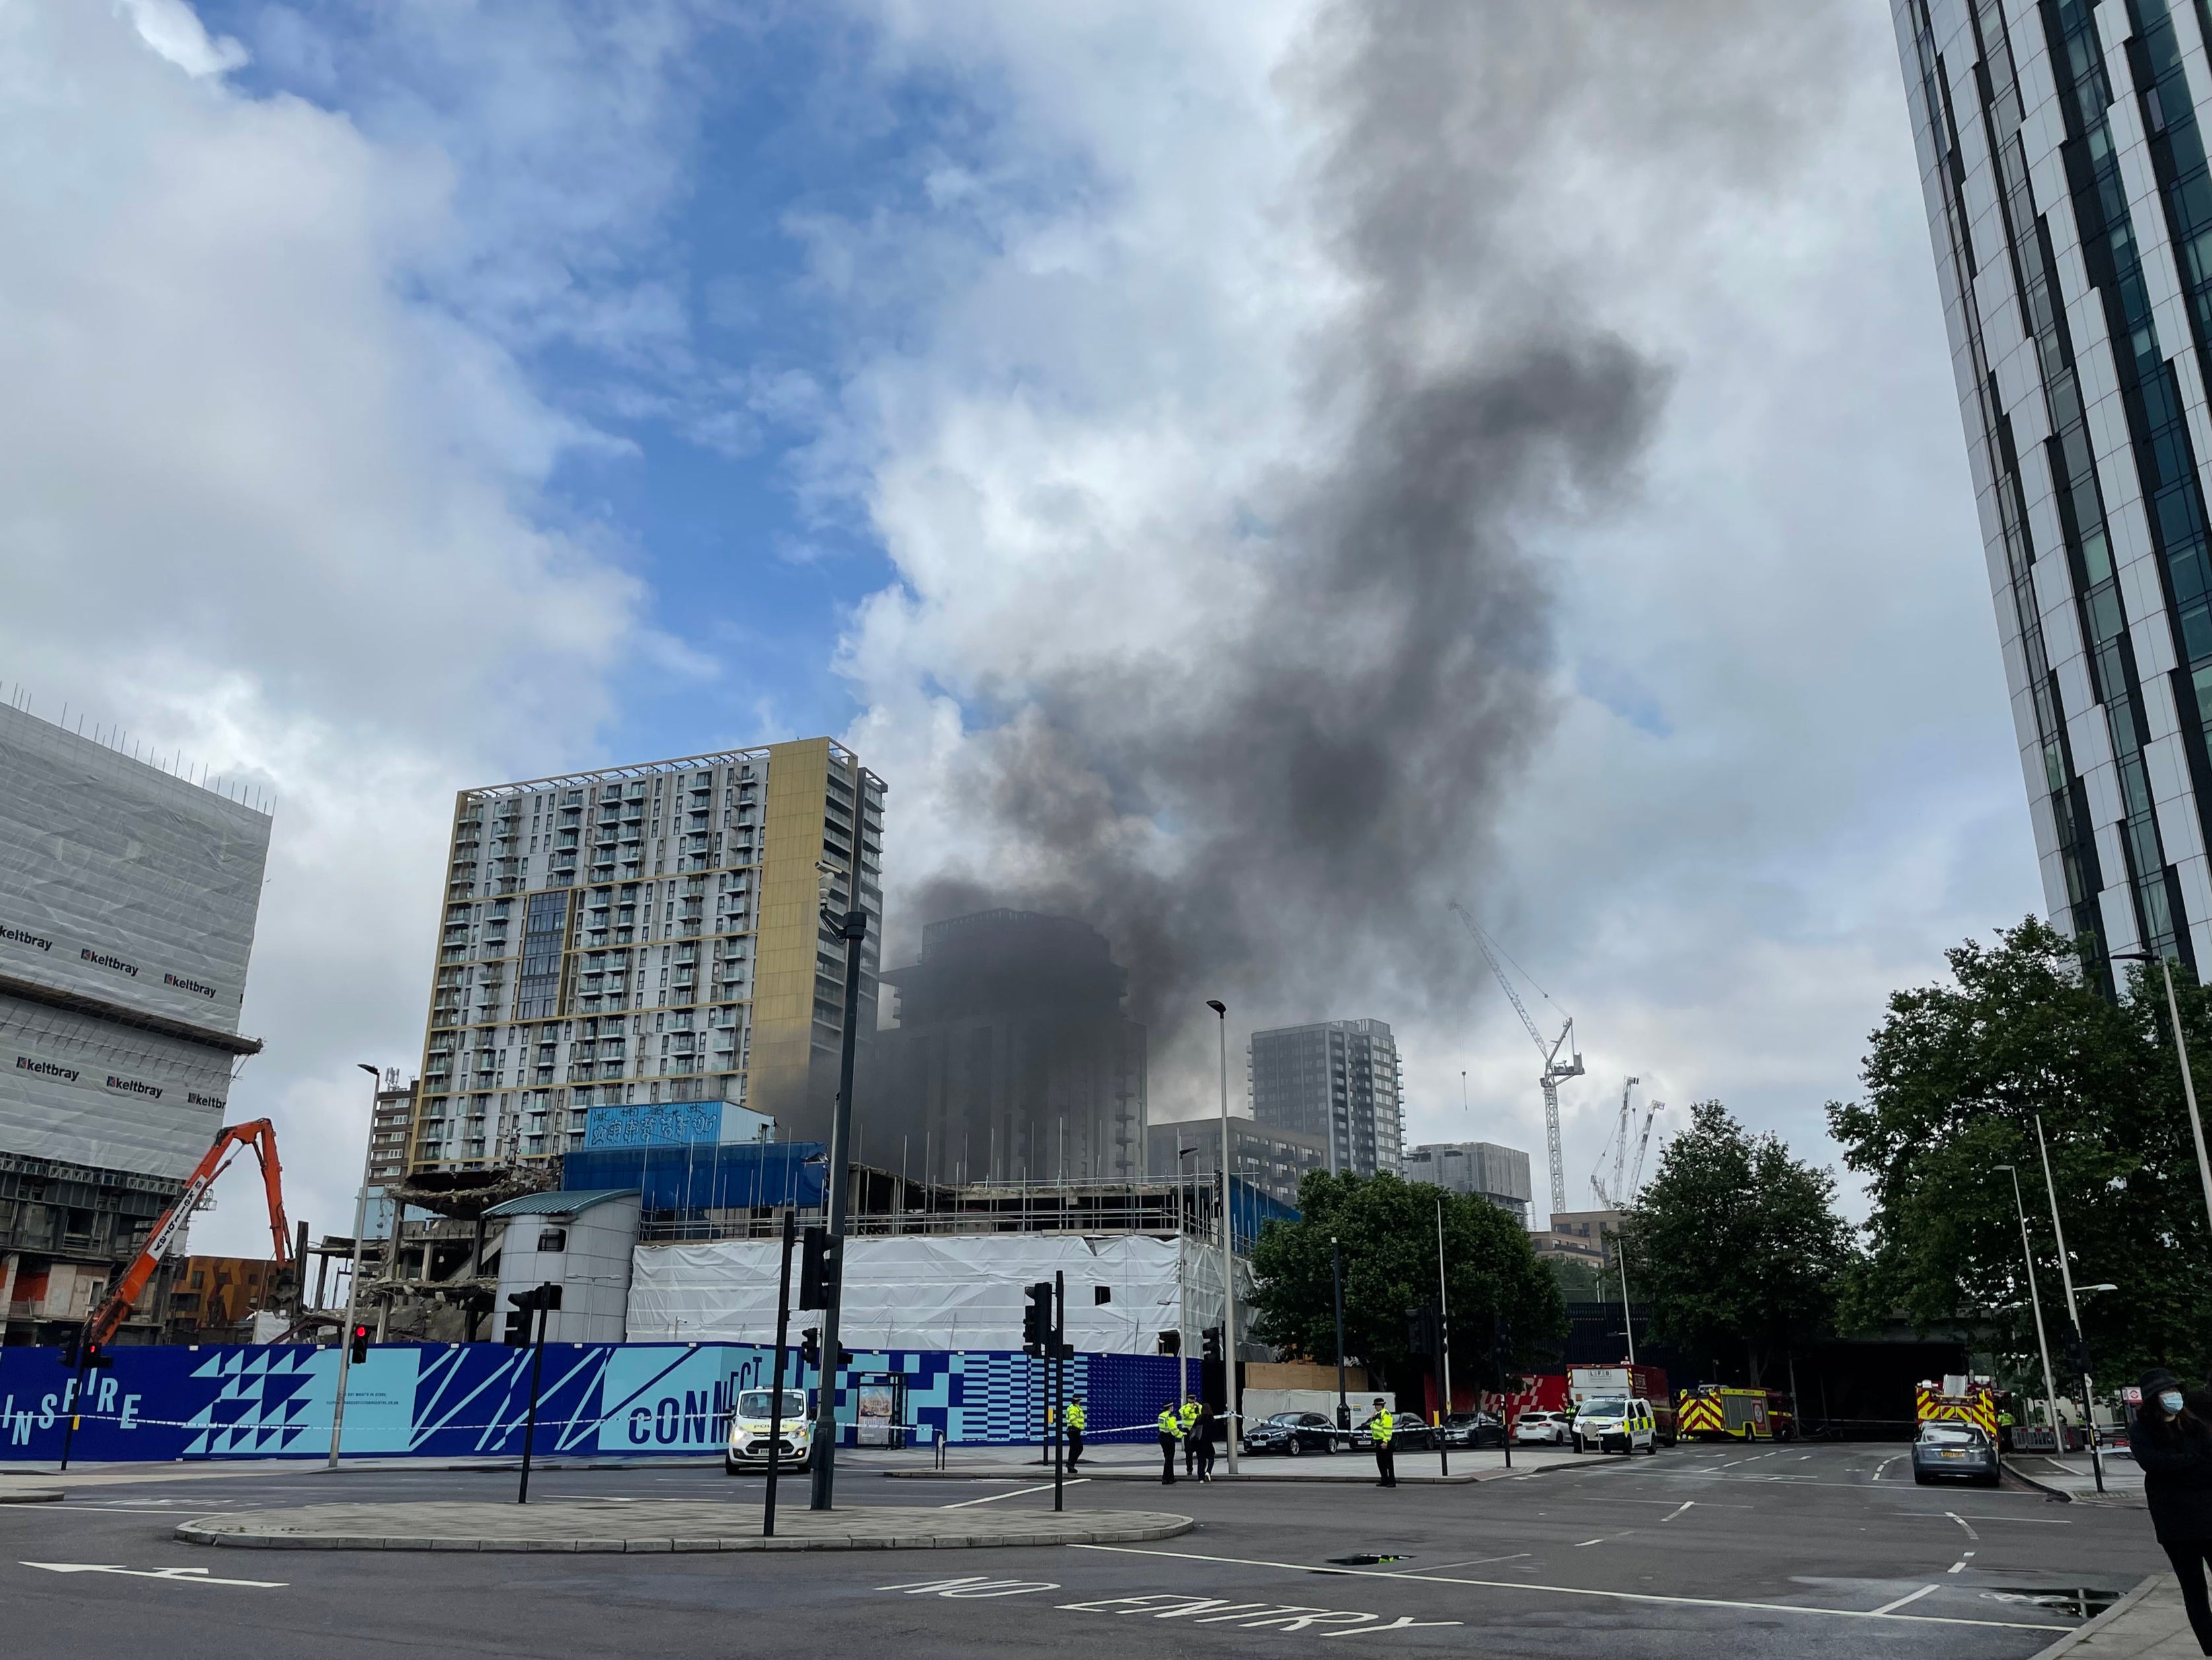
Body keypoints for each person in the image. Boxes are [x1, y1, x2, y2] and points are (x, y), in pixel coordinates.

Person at [2131, 1368, 2212, 1655]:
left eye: (2174, 1390)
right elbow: (2152, 1463)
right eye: (2165, 1392)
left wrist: (2180, 1465)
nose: (2172, 1396)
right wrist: (2189, 1463)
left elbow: (2206, 1463)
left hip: (2207, 1516)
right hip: (2175, 1524)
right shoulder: (2142, 1431)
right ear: (2153, 1399)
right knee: (2194, 1589)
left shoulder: (2195, 1425)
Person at [1369, 1397, 1396, 1488]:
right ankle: (1384, 1480)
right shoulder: (1378, 1415)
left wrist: (1385, 1441)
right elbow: (1374, 1427)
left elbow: (1387, 1429)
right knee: (1380, 1462)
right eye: (1375, 1405)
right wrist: (1372, 1420)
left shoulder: (1386, 1414)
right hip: (1378, 1441)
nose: (1375, 1407)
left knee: (1389, 1462)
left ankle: (1392, 1481)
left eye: (1377, 1405)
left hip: (1385, 1441)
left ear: (1381, 1405)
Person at [1158, 1401, 1183, 1485]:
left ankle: (1171, 1477)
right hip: (1169, 1437)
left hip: (1162, 1437)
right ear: (1170, 1407)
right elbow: (1174, 1429)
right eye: (1172, 1406)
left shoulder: (1161, 1415)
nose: (1173, 1408)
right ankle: (1166, 1478)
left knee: (1168, 1458)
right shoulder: (1171, 1417)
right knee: (1169, 1459)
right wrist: (1181, 1435)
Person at [1195, 1400, 1218, 1482]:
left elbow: (1194, 1429)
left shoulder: (1198, 1418)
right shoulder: (1211, 1419)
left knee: (1201, 1460)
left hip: (1199, 1443)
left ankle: (1201, 1478)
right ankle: (1208, 1471)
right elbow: (1215, 1431)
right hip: (1208, 1442)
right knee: (1211, 1458)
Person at [1181, 1396, 1203, 1475]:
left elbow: (1201, 1413)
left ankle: (1201, 1470)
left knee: (1199, 1451)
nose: (1193, 1401)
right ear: (1188, 1400)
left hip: (1197, 1430)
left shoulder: (1199, 1406)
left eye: (1194, 1399)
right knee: (1189, 1452)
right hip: (1188, 1431)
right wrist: (1190, 1407)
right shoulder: (1184, 1408)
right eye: (1191, 1399)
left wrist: (1198, 1406)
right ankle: (1189, 1469)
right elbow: (1185, 1414)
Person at [1066, 1396, 1086, 1471]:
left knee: (1073, 1448)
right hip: (1073, 1430)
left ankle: (1071, 1467)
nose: (1080, 1402)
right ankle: (1070, 1464)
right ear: (1077, 1401)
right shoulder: (1073, 1408)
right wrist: (1078, 1427)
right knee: (1079, 1448)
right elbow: (1073, 1420)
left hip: (1075, 1430)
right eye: (1079, 1400)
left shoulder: (1078, 1408)